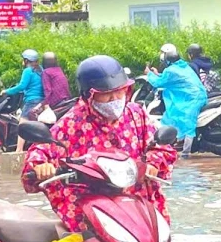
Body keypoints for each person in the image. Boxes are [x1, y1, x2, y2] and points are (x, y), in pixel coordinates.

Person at [24, 54, 179, 232]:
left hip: (137, 204)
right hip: (93, 211)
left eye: (119, 91)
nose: (115, 99)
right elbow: (43, 148)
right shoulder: (72, 122)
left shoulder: (137, 114)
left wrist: (153, 162)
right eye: (106, 95)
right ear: (89, 96)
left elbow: (161, 146)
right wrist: (40, 165)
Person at [148, 42, 206, 155]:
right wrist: (157, 74)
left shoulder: (171, 70)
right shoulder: (184, 66)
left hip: (192, 99)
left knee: (187, 122)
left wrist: (149, 74)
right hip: (197, 96)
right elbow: (168, 79)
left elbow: (158, 83)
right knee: (173, 117)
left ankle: (186, 153)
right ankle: (178, 142)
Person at [5, 48, 45, 115]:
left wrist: (7, 91)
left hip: (32, 101)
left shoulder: (28, 70)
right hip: (42, 101)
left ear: (26, 60)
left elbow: (22, 86)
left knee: (22, 123)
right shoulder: (41, 69)